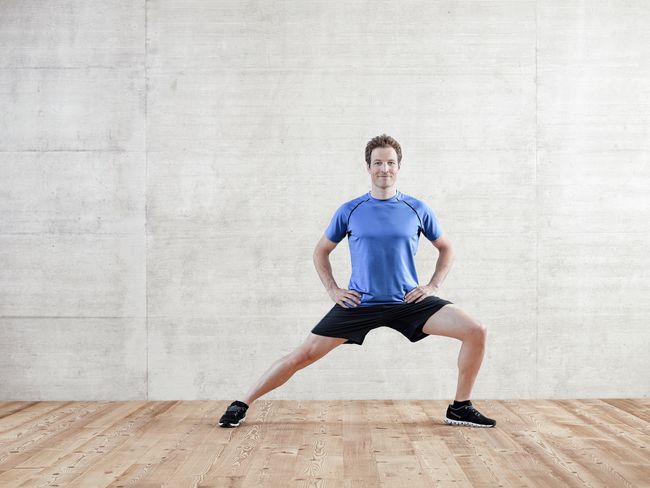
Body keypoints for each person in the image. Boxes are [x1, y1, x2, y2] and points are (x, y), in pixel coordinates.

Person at [219, 134, 496, 428]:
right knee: (303, 355)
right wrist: (332, 289)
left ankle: (460, 407)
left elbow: (446, 247)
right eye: (378, 163)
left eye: (390, 163)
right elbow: (321, 251)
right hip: (360, 303)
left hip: (407, 302)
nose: (384, 169)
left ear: (399, 166)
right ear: (368, 167)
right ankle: (241, 403)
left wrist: (432, 286)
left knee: (475, 331)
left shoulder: (417, 208)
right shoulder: (350, 210)